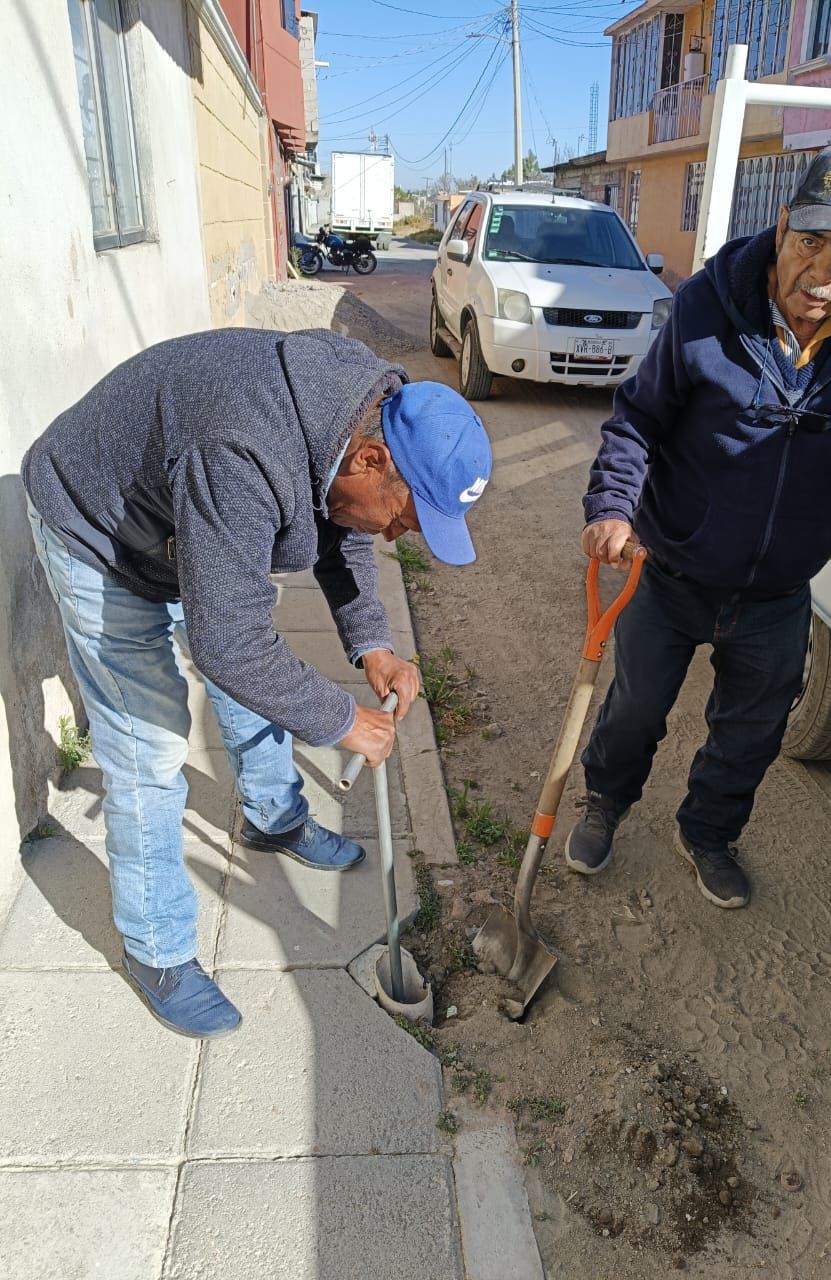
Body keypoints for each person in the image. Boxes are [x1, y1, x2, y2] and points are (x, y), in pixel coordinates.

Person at [22, 327, 492, 1036]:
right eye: (410, 516)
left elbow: (348, 533)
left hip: (188, 517)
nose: (401, 535)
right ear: (372, 459)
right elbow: (228, 644)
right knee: (147, 745)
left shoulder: (362, 408)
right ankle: (158, 953)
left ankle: (274, 817)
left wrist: (373, 646)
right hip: (99, 529)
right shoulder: (245, 452)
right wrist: (342, 720)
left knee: (253, 669)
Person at [565, 145, 831, 909]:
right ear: (781, 226)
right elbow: (638, 418)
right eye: (811, 240)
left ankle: (708, 832)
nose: (824, 270)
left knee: (752, 732)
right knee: (636, 709)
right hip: (672, 567)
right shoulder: (708, 306)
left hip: (781, 589)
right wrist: (612, 507)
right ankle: (605, 802)